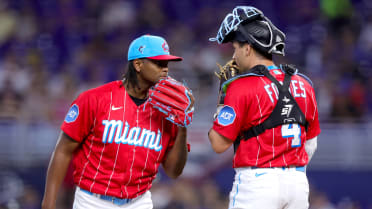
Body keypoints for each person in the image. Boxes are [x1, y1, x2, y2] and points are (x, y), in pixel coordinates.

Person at [41, 34, 192, 209]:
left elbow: (173, 171)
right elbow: (63, 151)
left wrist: (182, 127)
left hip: (139, 201)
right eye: (159, 63)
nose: (165, 69)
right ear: (138, 64)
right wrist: (48, 204)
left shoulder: (169, 112)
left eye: (166, 64)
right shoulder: (94, 99)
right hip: (93, 201)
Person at [208, 6, 320, 209]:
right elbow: (311, 143)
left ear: (248, 48)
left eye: (235, 48)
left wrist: (222, 99)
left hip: (257, 183)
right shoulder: (305, 84)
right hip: (297, 184)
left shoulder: (240, 86)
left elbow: (218, 144)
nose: (234, 56)